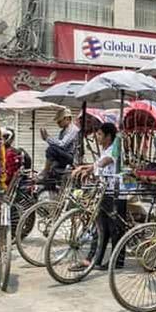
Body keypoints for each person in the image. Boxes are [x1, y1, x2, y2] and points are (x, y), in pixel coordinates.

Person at [73, 123, 125, 270]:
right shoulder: (106, 149)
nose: (97, 136)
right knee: (101, 228)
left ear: (108, 136)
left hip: (116, 192)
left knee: (115, 229)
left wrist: (90, 169)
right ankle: (95, 259)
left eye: (100, 134)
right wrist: (85, 168)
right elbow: (99, 163)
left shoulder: (116, 148)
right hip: (104, 191)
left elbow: (105, 162)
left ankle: (116, 261)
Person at [40, 108, 79, 178]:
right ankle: (48, 172)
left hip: (71, 157)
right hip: (64, 155)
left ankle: (45, 170)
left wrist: (47, 138)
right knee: (52, 151)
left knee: (51, 149)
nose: (58, 124)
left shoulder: (73, 129)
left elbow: (62, 145)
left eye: (59, 122)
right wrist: (47, 138)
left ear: (67, 119)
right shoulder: (62, 132)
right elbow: (57, 146)